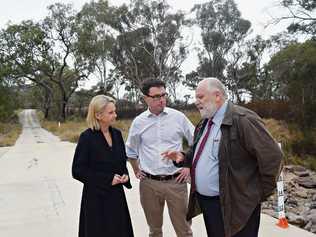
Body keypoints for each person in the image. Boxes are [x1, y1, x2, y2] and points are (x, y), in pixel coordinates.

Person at [162, 78, 283, 237]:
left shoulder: (243, 119)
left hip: (237, 205)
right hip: (210, 205)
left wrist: (258, 194)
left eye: (200, 97)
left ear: (217, 96)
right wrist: (183, 157)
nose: (196, 102)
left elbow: (273, 156)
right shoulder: (205, 122)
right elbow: (198, 151)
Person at [126, 79, 195, 237]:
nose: (161, 99)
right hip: (149, 185)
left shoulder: (178, 117)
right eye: (156, 96)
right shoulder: (139, 122)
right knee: (154, 231)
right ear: (146, 98)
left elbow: (196, 143)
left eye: (164, 95)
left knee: (184, 231)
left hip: (176, 183)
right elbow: (130, 150)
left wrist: (187, 166)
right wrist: (136, 170)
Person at [72, 95, 134, 237]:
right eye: (111, 112)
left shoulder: (117, 135)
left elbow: (121, 163)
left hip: (116, 197)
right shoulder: (86, 138)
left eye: (115, 111)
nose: (115, 115)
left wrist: (125, 175)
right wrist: (107, 179)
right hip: (95, 200)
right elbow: (78, 170)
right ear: (98, 115)